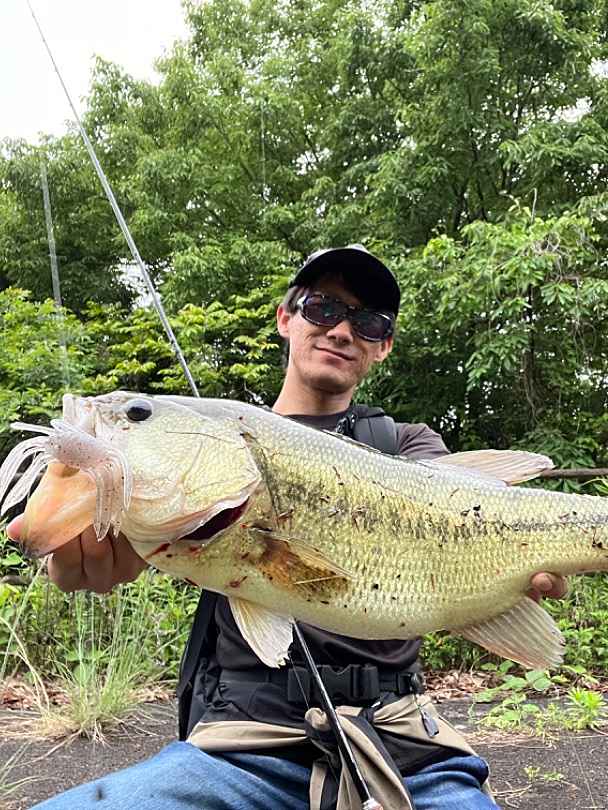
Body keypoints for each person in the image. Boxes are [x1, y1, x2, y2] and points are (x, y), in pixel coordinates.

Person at [8, 245, 566, 809]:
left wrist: (517, 568)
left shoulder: (409, 445)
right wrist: (89, 543)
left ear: (384, 346)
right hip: (239, 747)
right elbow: (105, 540)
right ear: (285, 317)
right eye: (323, 308)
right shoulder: (213, 444)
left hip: (405, 749)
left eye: (369, 322)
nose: (342, 330)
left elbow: (465, 511)